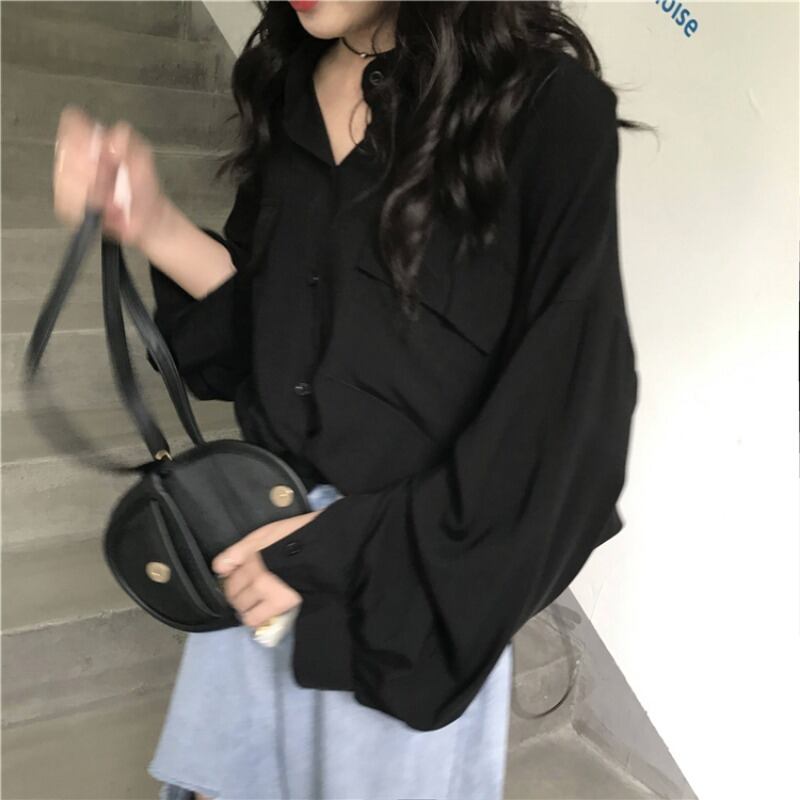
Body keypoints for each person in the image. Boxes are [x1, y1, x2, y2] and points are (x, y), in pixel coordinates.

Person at [52, 2, 642, 798]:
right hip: (259, 558)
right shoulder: (291, 84)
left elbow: (564, 433)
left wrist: (324, 552)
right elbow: (269, 340)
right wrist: (152, 224)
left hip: (404, 594)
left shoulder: (543, 109)